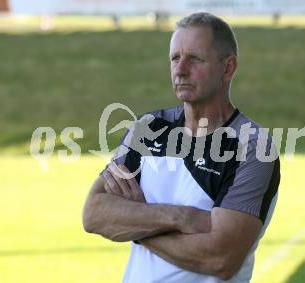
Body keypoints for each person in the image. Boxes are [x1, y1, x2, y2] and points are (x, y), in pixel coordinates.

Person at [83, 12, 280, 283]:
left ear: (228, 67)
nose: (180, 69)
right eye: (175, 58)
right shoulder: (148, 128)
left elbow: (220, 259)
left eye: (195, 59)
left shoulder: (253, 148)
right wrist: (181, 217)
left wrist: (137, 220)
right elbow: (94, 213)